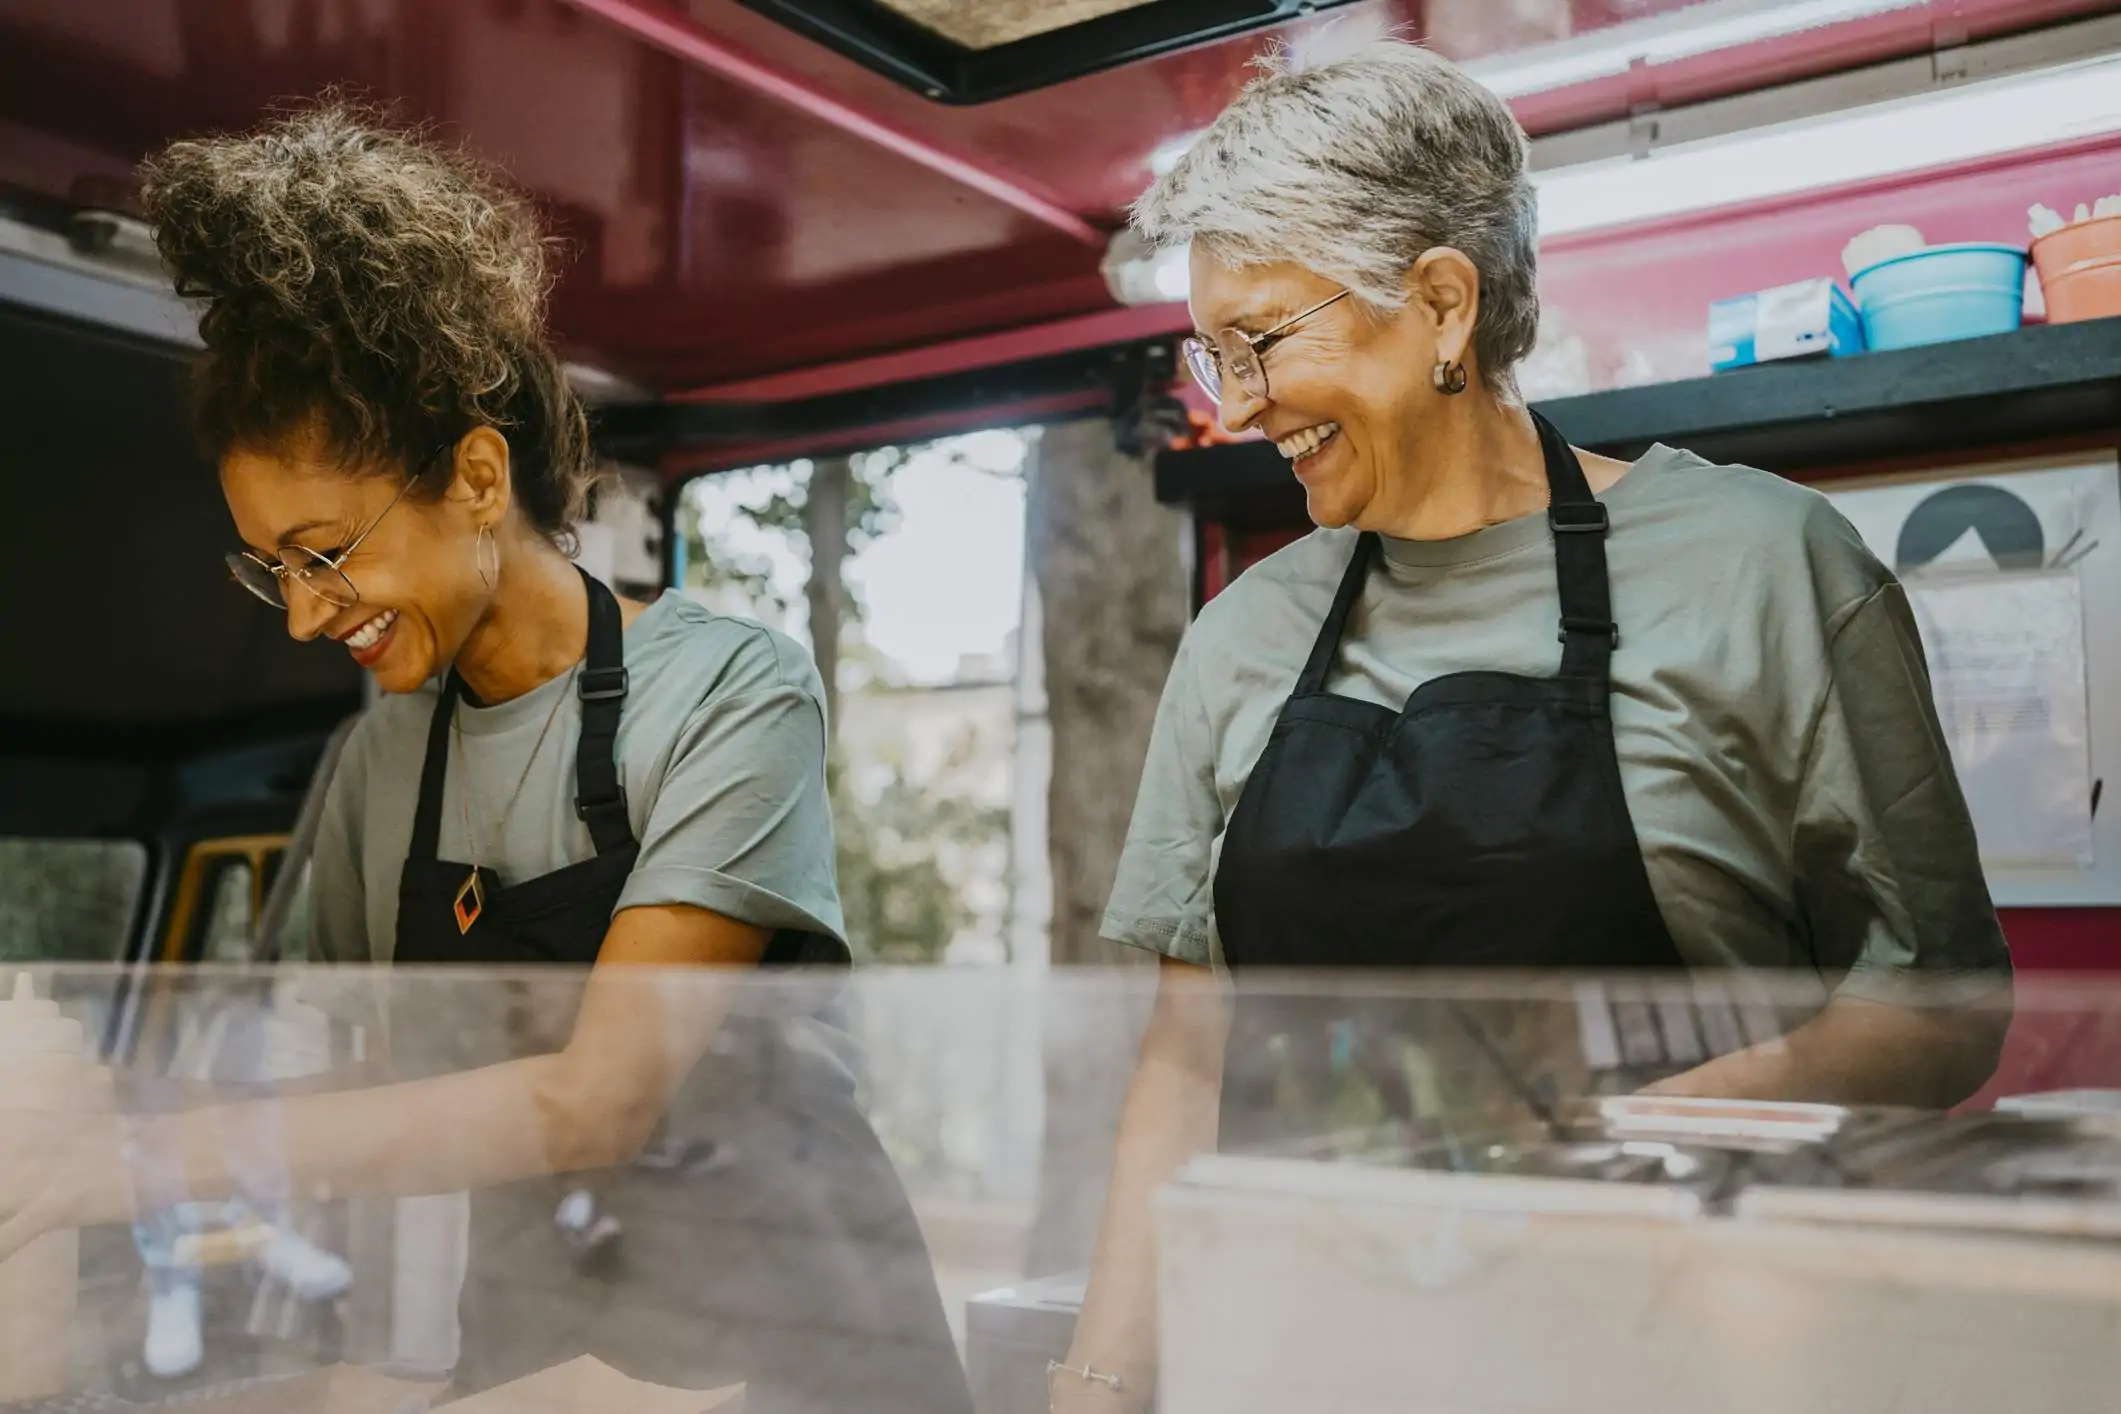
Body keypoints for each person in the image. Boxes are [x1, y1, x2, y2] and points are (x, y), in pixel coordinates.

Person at [1053, 36, 2012, 1412]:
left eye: (1261, 340)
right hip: (1312, 1359)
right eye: (1215, 354)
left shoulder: (1764, 566)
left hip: (1687, 1350)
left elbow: (1937, 1007)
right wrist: (1091, 1385)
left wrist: (1597, 1142)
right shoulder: (1243, 637)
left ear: (1441, 304)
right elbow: (1186, 1057)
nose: (1240, 404)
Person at [0, 105, 971, 1414]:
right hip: (545, 1360)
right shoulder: (377, 760)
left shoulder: (729, 692)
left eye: (328, 550)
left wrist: (131, 1166)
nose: (301, 612)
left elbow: (596, 1099)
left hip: (799, 1359)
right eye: (272, 565)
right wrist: (86, 1095)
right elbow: (388, 1094)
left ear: (470, 475)